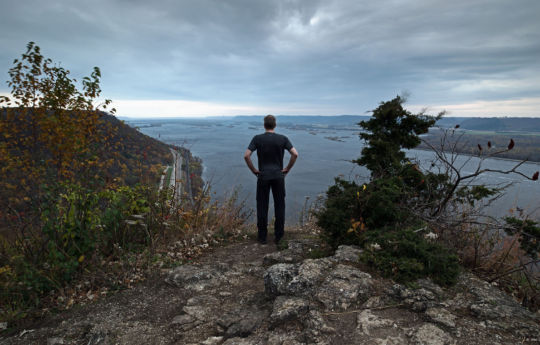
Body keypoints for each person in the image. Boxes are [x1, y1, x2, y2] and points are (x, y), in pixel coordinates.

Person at [244, 115, 298, 245]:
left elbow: (246, 155)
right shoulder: (283, 139)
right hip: (278, 176)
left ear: (264, 125)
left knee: (262, 205)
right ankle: (279, 237)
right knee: (280, 205)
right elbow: (295, 154)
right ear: (275, 125)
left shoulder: (257, 138)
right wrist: (287, 169)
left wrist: (254, 170)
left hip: (263, 176)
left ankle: (262, 237)